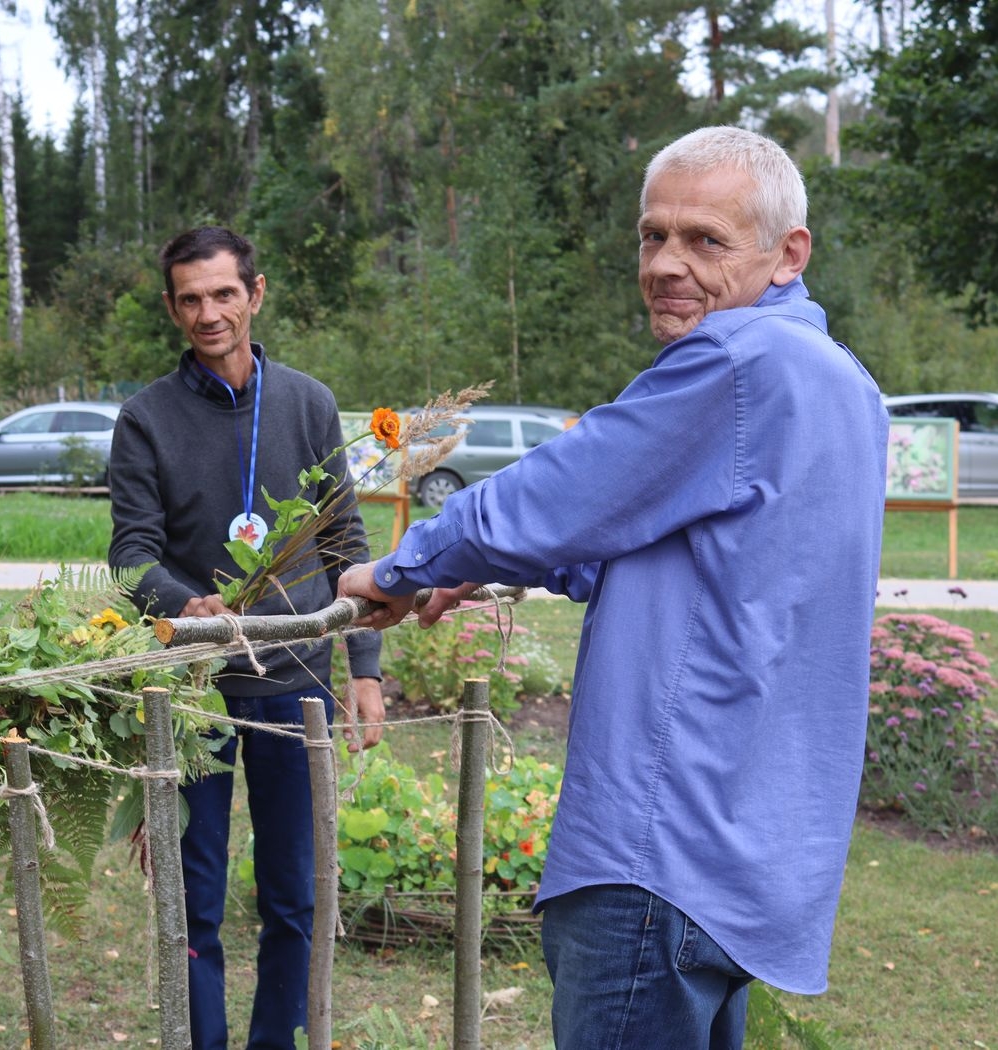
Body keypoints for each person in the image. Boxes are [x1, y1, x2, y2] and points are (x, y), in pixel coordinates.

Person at [338, 126, 888, 1049]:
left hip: (658, 853)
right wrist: (492, 561)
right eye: (651, 236)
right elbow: (685, 551)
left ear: (787, 253)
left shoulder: (736, 362)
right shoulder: (843, 384)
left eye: (704, 240)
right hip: (746, 849)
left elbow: (560, 488)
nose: (666, 264)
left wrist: (401, 567)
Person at [108, 225, 386, 1050]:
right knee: (191, 897)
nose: (208, 313)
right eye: (189, 299)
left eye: (223, 294)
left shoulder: (306, 402)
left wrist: (363, 668)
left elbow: (346, 547)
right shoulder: (144, 419)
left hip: (295, 680)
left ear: (255, 294)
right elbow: (130, 554)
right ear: (171, 308)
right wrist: (180, 602)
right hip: (190, 687)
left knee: (293, 894)